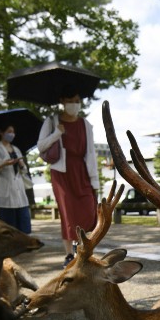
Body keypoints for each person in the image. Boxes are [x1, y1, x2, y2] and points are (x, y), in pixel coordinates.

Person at [37, 85, 100, 266]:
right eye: (70, 101)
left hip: (82, 171)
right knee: (68, 213)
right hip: (61, 172)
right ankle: (69, 255)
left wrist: (94, 181)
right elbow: (41, 146)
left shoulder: (85, 124)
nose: (74, 104)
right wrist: (57, 133)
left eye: (77, 101)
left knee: (89, 211)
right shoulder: (52, 121)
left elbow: (91, 153)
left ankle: (83, 249)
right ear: (62, 102)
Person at [0, 122, 32, 234]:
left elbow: (24, 170)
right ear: (1, 132)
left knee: (24, 226)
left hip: (19, 191)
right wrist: (3, 164)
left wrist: (22, 164)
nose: (12, 134)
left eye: (13, 132)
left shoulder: (16, 149)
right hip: (5, 193)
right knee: (9, 228)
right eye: (9, 132)